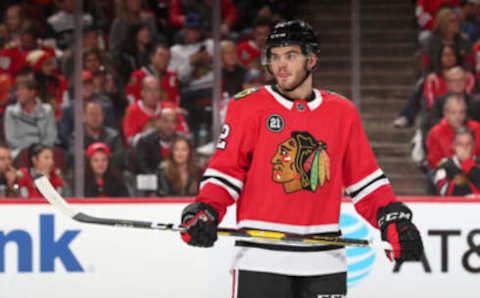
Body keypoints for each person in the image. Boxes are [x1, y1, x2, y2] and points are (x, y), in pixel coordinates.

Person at [178, 20, 424, 297]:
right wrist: (205, 209)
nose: (281, 65)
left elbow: (366, 182)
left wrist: (392, 219)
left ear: (312, 59)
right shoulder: (246, 106)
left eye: (291, 55)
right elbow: (225, 173)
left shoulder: (342, 112)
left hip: (323, 261)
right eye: (275, 57)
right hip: (261, 259)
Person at [122, 75, 189, 146]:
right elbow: (130, 141)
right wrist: (151, 134)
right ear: (142, 92)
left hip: (172, 151)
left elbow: (185, 135)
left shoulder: (170, 108)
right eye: (149, 90)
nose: (153, 94)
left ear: (160, 92)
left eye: (156, 90)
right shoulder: (131, 111)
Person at [4, 72, 57, 159]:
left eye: (22, 89)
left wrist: (38, 150)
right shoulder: (11, 112)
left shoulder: (47, 110)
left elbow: (51, 137)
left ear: (32, 92)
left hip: (43, 151)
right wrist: (30, 149)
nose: (18, 93)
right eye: (17, 90)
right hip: (20, 151)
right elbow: (11, 140)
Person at [426, 94, 480, 169]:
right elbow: (434, 162)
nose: (458, 117)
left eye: (461, 112)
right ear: (445, 113)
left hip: (473, 169)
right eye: (453, 113)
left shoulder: (476, 128)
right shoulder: (435, 132)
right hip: (446, 171)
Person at [433, 126, 480, 195]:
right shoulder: (444, 165)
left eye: (468, 144)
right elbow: (444, 190)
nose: (464, 148)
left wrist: (467, 163)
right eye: (460, 144)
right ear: (454, 145)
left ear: (473, 145)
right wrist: (474, 188)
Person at [134, 107, 180, 174]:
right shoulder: (145, 142)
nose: (169, 125)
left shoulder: (183, 141)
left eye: (173, 122)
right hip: (152, 181)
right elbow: (142, 169)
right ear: (158, 122)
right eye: (165, 121)